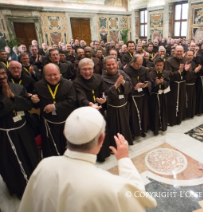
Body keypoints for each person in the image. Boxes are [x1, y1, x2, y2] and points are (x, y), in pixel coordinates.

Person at [18, 107, 157, 212]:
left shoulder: (44, 165)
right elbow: (140, 199)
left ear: (66, 134)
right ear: (101, 139)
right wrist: (124, 160)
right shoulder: (111, 186)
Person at [0, 61, 40, 198]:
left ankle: (37, 185)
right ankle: (23, 191)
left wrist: (12, 97)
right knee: (13, 164)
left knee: (32, 157)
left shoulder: (17, 88)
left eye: (3, 73)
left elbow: (28, 105)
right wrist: (5, 98)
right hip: (4, 134)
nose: (1, 77)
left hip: (23, 129)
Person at [33, 63, 77, 157]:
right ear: (44, 75)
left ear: (59, 73)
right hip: (48, 123)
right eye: (49, 75)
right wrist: (33, 99)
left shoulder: (68, 84)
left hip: (66, 121)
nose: (53, 77)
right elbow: (36, 104)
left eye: (55, 74)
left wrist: (55, 107)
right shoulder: (38, 86)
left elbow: (72, 101)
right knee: (51, 147)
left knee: (68, 146)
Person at [74, 58, 110, 161]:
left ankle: (103, 154)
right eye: (84, 69)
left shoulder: (98, 78)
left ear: (93, 69)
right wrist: (89, 104)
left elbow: (105, 91)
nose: (87, 72)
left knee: (101, 131)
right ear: (80, 70)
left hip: (99, 109)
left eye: (89, 69)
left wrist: (104, 99)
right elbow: (80, 97)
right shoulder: (77, 82)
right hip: (87, 113)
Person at [101, 56, 133, 146]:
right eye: (108, 65)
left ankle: (125, 141)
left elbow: (130, 86)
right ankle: (115, 145)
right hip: (112, 108)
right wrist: (116, 85)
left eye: (113, 64)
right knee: (114, 127)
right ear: (104, 65)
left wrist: (122, 82)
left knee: (125, 125)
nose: (111, 66)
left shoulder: (122, 73)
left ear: (117, 64)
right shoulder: (102, 78)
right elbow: (106, 94)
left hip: (124, 106)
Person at [124, 54, 151, 138]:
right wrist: (134, 88)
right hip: (132, 98)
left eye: (141, 64)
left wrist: (146, 85)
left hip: (143, 96)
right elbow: (125, 85)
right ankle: (135, 132)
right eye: (137, 64)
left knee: (143, 114)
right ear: (132, 62)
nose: (139, 66)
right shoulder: (126, 71)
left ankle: (143, 129)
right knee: (134, 116)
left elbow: (150, 80)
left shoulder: (143, 69)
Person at [165, 46, 188, 125]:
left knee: (181, 101)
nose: (179, 53)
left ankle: (179, 118)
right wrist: (178, 72)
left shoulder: (185, 60)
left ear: (183, 52)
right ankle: (171, 120)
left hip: (182, 85)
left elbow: (187, 75)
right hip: (173, 86)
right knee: (172, 103)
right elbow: (167, 74)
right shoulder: (168, 61)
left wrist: (186, 71)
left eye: (180, 51)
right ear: (174, 51)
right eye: (177, 51)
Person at [149, 57, 170, 135]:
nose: (159, 67)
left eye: (161, 65)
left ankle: (163, 126)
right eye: (157, 65)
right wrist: (156, 83)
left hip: (163, 94)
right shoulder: (151, 74)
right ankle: (155, 128)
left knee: (163, 110)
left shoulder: (166, 73)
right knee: (155, 112)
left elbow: (168, 82)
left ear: (163, 65)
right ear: (154, 65)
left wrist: (163, 82)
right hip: (155, 96)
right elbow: (149, 85)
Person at [185, 51, 199, 118]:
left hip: (193, 84)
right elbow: (187, 76)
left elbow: (195, 75)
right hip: (186, 85)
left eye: (191, 55)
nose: (190, 57)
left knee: (192, 100)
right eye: (188, 55)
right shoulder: (184, 62)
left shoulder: (193, 63)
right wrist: (194, 72)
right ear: (185, 55)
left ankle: (191, 113)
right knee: (186, 100)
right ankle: (186, 114)